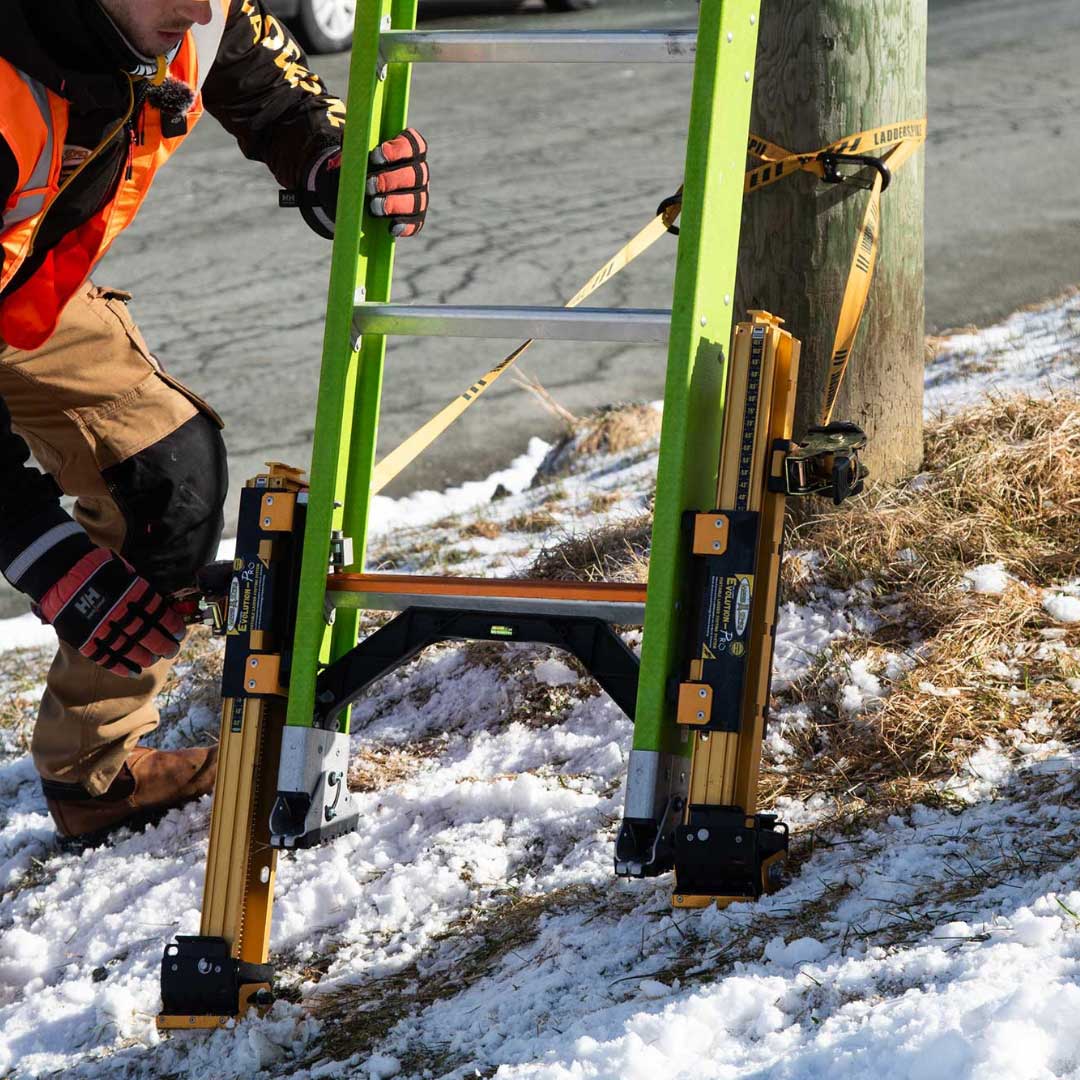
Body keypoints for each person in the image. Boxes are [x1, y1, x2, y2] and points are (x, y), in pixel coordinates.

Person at [0, 0, 430, 843]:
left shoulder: (195, 14)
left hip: (23, 293)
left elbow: (268, 87)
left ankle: (98, 774)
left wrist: (335, 161)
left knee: (165, 470)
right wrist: (40, 549)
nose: (199, 8)